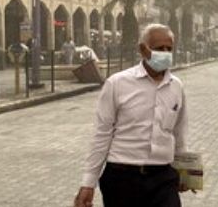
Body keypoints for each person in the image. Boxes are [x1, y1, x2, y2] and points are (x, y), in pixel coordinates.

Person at [74, 24, 189, 207]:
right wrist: (88, 183)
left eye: (169, 49)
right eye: (160, 48)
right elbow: (102, 134)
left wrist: (185, 172)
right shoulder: (117, 84)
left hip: (163, 179)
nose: (165, 53)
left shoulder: (176, 86)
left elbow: (179, 133)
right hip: (123, 179)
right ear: (143, 49)